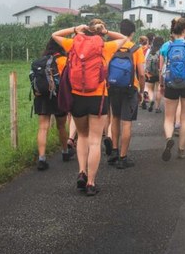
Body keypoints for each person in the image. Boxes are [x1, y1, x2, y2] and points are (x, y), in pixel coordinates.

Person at [52, 20, 127, 196]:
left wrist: (75, 29)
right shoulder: (105, 47)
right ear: (99, 33)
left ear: (85, 32)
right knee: (95, 140)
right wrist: (107, 31)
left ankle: (81, 172)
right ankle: (91, 183)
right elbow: (124, 38)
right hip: (98, 98)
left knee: (82, 136)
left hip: (77, 97)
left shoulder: (73, 45)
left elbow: (54, 35)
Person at [159, 17, 185, 161]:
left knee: (169, 117)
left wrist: (161, 84)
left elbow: (161, 69)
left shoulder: (165, 47)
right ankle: (181, 150)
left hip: (170, 84)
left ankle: (169, 138)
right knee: (184, 118)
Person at [107, 19, 145, 169]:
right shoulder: (136, 48)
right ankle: (123, 157)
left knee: (115, 118)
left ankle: (114, 151)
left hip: (113, 87)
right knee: (126, 122)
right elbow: (141, 74)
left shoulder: (112, 46)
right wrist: (141, 91)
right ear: (132, 33)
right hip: (130, 89)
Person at [32, 38, 71, 170]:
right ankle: (65, 152)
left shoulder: (41, 61)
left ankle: (42, 158)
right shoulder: (63, 60)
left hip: (41, 97)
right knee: (61, 126)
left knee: (43, 127)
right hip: (58, 96)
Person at [144, 35, 164, 113]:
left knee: (150, 89)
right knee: (159, 89)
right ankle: (157, 107)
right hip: (159, 72)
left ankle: (151, 99)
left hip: (150, 73)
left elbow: (145, 61)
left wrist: (146, 71)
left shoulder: (150, 50)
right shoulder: (162, 50)